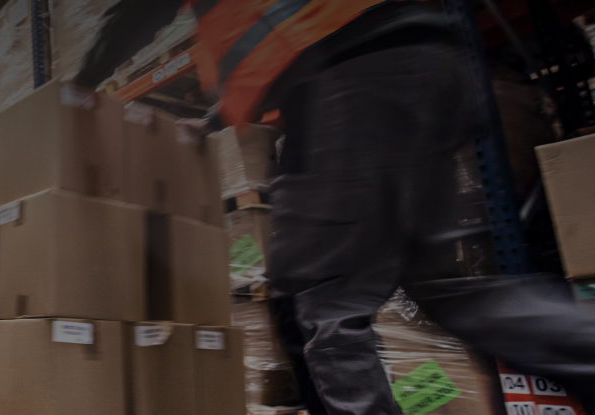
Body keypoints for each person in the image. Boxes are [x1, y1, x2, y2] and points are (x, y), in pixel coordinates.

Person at [73, 1, 595, 413]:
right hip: (415, 61)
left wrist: (78, 86)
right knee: (457, 293)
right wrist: (211, 122)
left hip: (351, 76)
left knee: (328, 306)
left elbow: (137, 9)